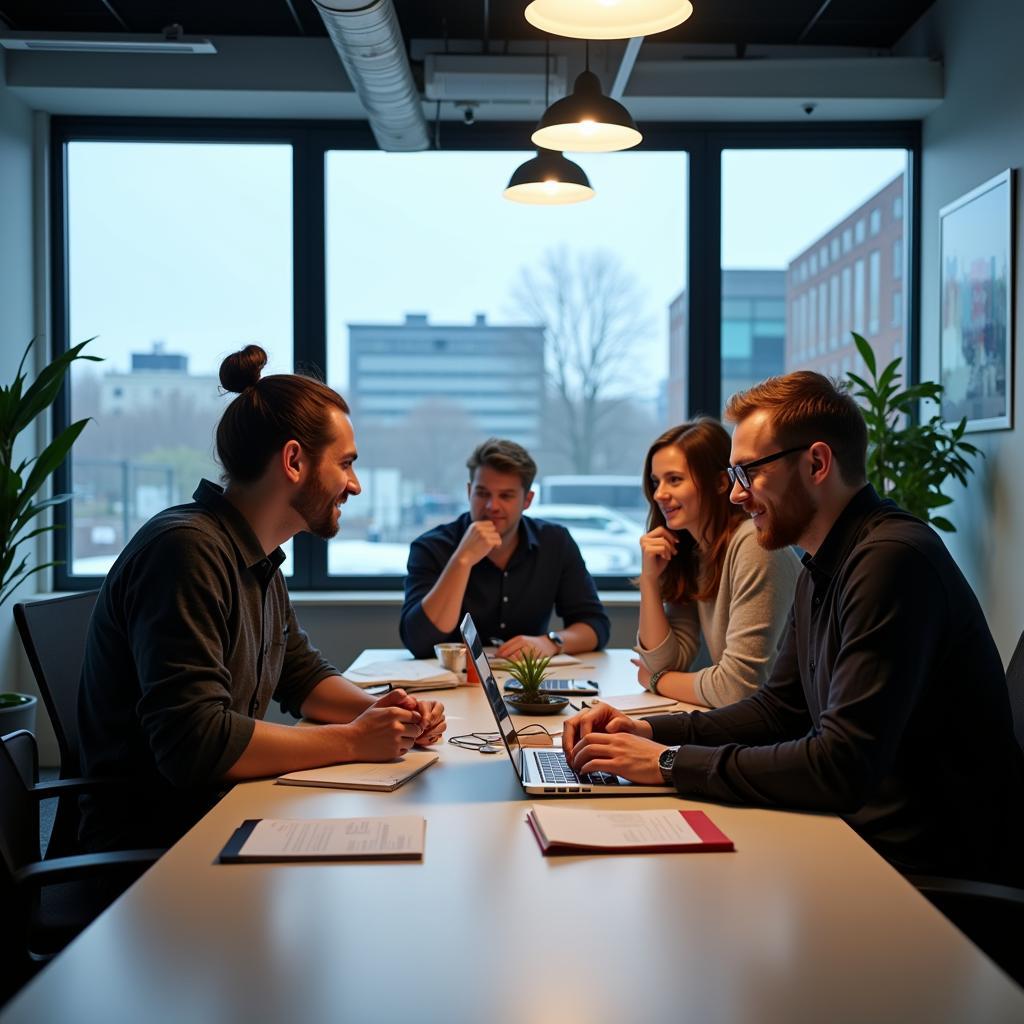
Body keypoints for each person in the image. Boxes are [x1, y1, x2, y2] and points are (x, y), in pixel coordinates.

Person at [564, 371, 1024, 884]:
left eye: (748, 473)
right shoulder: (824, 561)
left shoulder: (891, 561)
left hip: (924, 875)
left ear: (818, 463)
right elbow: (778, 710)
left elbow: (840, 766)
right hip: (863, 842)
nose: (736, 495)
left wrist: (667, 763)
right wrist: (646, 731)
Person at [78, 345, 446, 852]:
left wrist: (386, 715)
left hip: (220, 816)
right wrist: (354, 740)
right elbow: (195, 743)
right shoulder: (186, 551)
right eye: (345, 464)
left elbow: (300, 674)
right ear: (294, 460)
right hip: (154, 852)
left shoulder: (254, 554)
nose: (354, 485)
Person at [634, 419, 799, 707]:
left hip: (787, 735)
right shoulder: (695, 552)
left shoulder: (753, 545)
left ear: (721, 482)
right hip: (753, 728)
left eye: (674, 479)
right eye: (655, 482)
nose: (659, 494)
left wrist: (655, 680)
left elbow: (737, 689)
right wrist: (649, 581)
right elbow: (666, 660)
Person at [400, 438, 610, 661]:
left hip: (528, 682)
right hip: (452, 681)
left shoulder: (555, 542)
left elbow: (595, 626)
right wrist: (462, 560)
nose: (492, 506)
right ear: (469, 492)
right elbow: (419, 642)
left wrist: (549, 643)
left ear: (527, 500)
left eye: (506, 496)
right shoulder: (431, 547)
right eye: (482, 493)